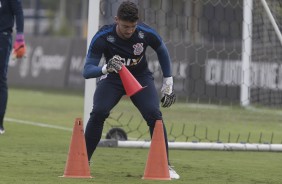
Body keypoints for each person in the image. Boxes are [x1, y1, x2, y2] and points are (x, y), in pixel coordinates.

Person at [83, 1, 179, 179]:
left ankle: (165, 165)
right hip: (113, 78)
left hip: (140, 77)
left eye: (132, 26)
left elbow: (162, 50)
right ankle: (83, 162)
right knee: (98, 112)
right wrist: (105, 69)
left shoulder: (145, 32)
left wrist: (168, 83)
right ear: (116, 20)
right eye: (125, 26)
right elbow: (87, 70)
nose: (129, 31)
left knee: (154, 115)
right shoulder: (103, 36)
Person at [0, 0, 26, 134]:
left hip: (3, 38)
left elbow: (19, 13)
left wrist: (20, 37)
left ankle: (0, 123)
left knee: (0, 79)